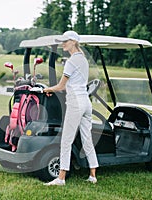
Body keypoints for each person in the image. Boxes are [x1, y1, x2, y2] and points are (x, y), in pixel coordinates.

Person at [43, 31, 99, 186]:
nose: (63, 44)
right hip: (86, 102)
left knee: (66, 141)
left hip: (76, 103)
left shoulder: (71, 61)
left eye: (65, 41)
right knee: (87, 139)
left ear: (74, 41)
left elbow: (61, 86)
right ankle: (93, 175)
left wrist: (47, 90)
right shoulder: (84, 60)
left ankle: (60, 178)